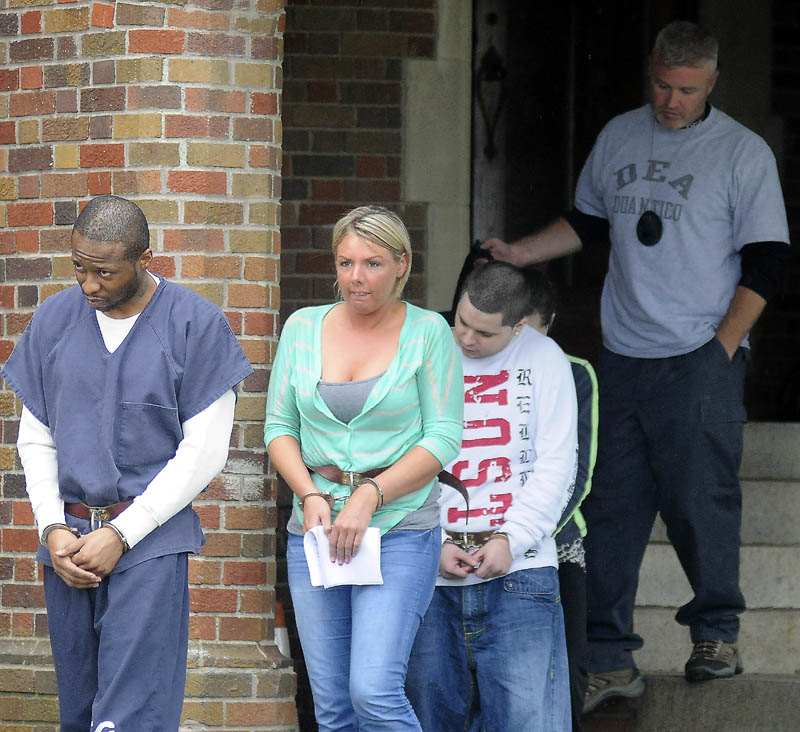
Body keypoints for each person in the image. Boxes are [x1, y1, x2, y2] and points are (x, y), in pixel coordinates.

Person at [482, 20, 791, 712]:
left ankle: (716, 633)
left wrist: (721, 350)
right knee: (609, 509)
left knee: (698, 500)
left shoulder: (743, 154)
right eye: (659, 83)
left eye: (684, 89)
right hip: (623, 355)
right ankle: (610, 659)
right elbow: (588, 223)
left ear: (711, 82)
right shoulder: (621, 135)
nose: (669, 100)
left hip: (699, 355)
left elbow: (769, 264)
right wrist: (520, 255)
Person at [1, 195, 253, 732]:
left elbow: (203, 453)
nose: (89, 284)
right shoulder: (55, 319)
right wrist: (50, 528)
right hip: (67, 543)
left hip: (148, 544)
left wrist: (122, 532)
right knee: (79, 713)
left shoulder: (195, 326)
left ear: (144, 257)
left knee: (132, 716)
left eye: (104, 272)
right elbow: (36, 436)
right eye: (79, 268)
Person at [264, 205, 463, 731]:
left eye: (373, 264)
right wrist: (308, 496)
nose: (356, 278)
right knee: (333, 708)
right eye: (346, 263)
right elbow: (279, 427)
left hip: (399, 529)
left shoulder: (428, 332)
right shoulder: (303, 327)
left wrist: (370, 494)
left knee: (373, 690)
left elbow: (443, 438)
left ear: (402, 264)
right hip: (316, 529)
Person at [406, 261, 577, 732]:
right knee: (425, 716)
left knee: (526, 721)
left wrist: (511, 538)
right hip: (428, 565)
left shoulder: (545, 358)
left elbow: (558, 464)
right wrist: (432, 540)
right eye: (461, 321)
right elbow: (400, 454)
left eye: (483, 332)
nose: (465, 338)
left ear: (519, 325)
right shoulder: (425, 346)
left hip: (521, 571)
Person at [523, 268, 598, 732]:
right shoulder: (470, 366)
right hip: (477, 543)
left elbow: (580, 472)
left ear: (548, 321)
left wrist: (526, 533)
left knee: (568, 669)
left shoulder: (575, 372)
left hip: (558, 540)